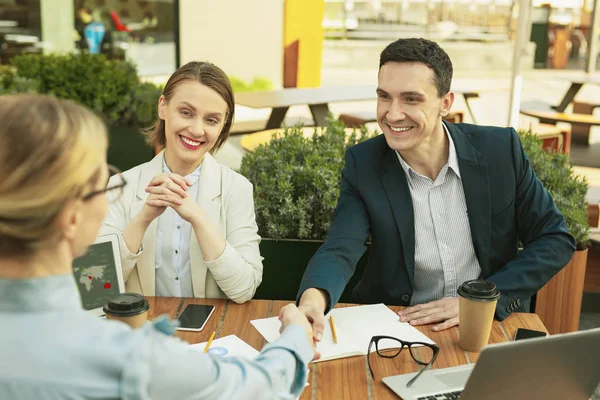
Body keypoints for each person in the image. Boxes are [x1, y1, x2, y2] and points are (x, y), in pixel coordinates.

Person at [0, 94, 314, 399]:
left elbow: (93, 288)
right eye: (103, 181)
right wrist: (297, 334)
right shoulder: (130, 359)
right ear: (71, 217)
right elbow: (263, 386)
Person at [296, 38, 576, 340]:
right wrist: (312, 301)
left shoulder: (500, 151)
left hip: (486, 324)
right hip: (398, 326)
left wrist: (478, 302)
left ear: (445, 103)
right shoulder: (363, 163)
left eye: (411, 99)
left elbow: (554, 239)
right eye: (384, 97)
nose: (392, 114)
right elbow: (340, 248)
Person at [100, 61, 262, 303]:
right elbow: (96, 285)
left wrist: (198, 218)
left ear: (223, 125)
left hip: (212, 334)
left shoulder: (236, 189)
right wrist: (143, 218)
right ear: (163, 107)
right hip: (140, 331)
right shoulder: (120, 185)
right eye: (186, 113)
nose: (197, 130)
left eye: (211, 120)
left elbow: (244, 290)